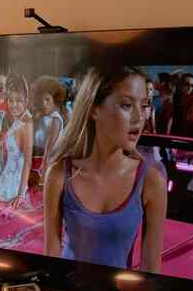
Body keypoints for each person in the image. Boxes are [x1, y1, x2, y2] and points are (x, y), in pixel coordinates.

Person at [43, 66, 167, 272]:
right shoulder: (58, 174)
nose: (139, 117)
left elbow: (151, 270)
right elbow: (51, 260)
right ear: (94, 109)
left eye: (144, 105)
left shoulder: (151, 181)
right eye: (127, 105)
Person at [0, 74, 33, 207]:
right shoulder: (18, 119)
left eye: (18, 100)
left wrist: (21, 194)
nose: (13, 105)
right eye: (10, 100)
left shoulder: (27, 123)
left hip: (15, 187)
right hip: (5, 181)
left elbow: (27, 161)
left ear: (26, 100)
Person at [30, 75, 67, 188]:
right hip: (33, 164)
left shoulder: (55, 120)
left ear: (55, 99)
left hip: (47, 166)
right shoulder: (38, 116)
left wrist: (43, 179)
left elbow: (48, 151)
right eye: (41, 100)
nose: (44, 104)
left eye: (47, 99)